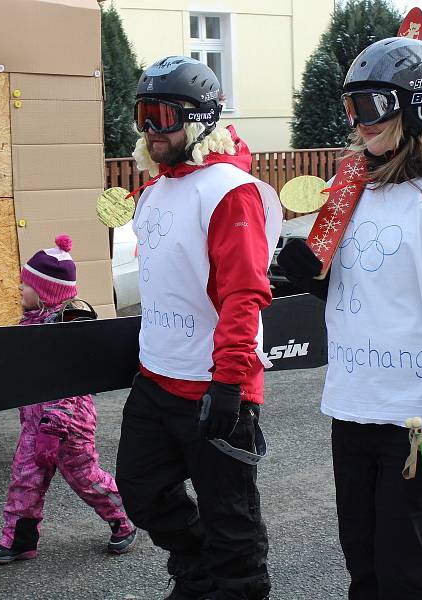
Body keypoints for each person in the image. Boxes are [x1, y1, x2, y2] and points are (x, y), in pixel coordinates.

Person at [277, 38, 422, 599]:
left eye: (371, 107)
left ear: (418, 106)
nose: (359, 123)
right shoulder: (357, 186)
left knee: (410, 573)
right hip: (355, 405)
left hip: (416, 420)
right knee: (364, 564)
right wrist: (306, 273)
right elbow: (359, 288)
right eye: (350, 107)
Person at [115, 56, 282, 600]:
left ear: (199, 120)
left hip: (214, 382)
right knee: (140, 492)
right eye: (143, 116)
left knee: (230, 515)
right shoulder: (156, 191)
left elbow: (244, 293)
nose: (151, 131)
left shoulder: (230, 190)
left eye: (164, 116)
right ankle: (198, 570)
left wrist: (230, 381)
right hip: (158, 377)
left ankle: (235, 587)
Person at [0, 235, 136, 564]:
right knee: (25, 478)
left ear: (46, 292)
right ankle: (19, 540)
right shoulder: (32, 324)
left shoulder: (69, 327)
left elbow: (70, 383)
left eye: (26, 285)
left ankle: (124, 520)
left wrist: (54, 426)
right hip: (37, 423)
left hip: (69, 424)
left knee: (85, 478)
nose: (20, 290)